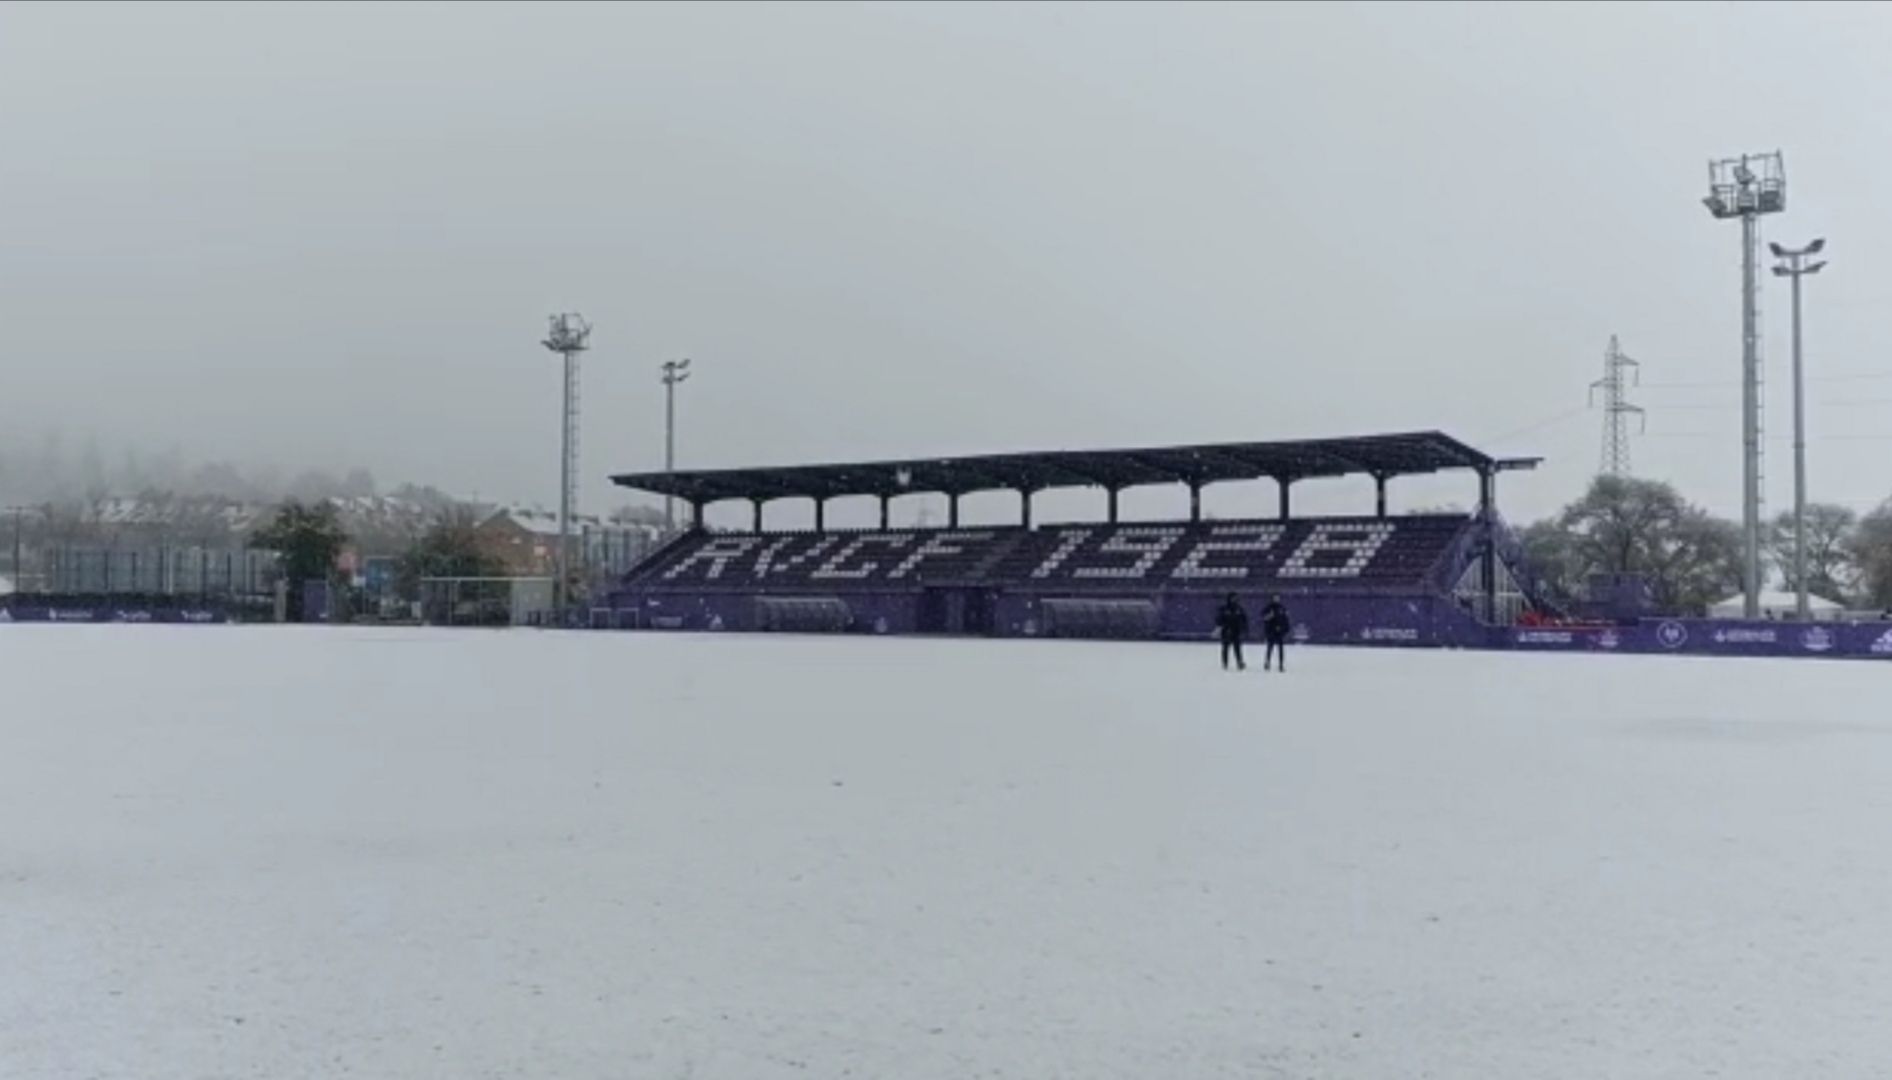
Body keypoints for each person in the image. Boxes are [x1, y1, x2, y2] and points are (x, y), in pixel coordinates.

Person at [1213, 593, 1248, 671]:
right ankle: (1225, 663)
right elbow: (1218, 619)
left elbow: (1244, 619)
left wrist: (1244, 629)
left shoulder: (1239, 608)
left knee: (1237, 648)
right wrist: (1223, 626)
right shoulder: (1224, 608)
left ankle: (1239, 663)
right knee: (1225, 648)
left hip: (1236, 631)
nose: (1234, 599)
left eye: (1235, 598)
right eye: (1233, 598)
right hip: (1226, 631)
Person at [1260, 594, 1291, 672]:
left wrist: (1285, 629)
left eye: (1278, 598)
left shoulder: (1282, 608)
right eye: (1275, 598)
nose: (1276, 599)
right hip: (1271, 631)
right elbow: (1263, 617)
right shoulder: (1269, 607)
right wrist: (1269, 616)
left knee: (1280, 649)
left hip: (1280, 632)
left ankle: (1281, 665)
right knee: (1270, 648)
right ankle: (1267, 663)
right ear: (1272, 599)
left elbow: (1285, 619)